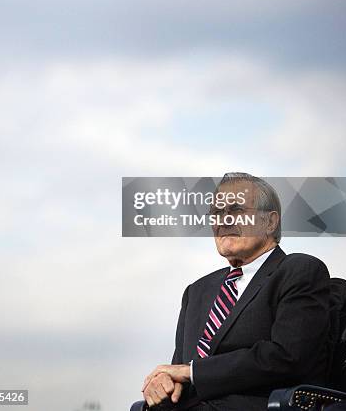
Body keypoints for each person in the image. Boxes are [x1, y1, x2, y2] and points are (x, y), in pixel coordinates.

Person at [132, 172, 331, 411]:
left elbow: (288, 357)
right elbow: (179, 369)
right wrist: (163, 381)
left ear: (270, 222)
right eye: (216, 213)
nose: (223, 221)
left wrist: (193, 372)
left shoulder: (299, 271)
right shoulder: (196, 292)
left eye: (236, 211)